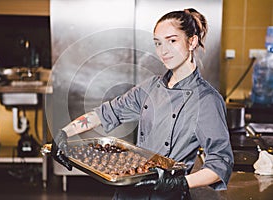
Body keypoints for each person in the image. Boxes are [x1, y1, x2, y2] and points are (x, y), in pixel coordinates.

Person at [51, 8, 234, 199]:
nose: (164, 51)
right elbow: (106, 113)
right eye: (158, 43)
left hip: (166, 195)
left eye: (172, 41)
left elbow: (220, 162)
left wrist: (179, 183)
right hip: (130, 192)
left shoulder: (206, 99)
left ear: (192, 42)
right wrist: (64, 133)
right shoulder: (150, 87)